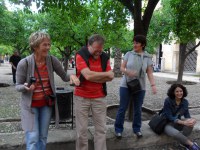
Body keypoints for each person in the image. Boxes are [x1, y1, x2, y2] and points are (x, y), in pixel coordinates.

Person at [15, 31, 80, 150]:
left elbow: (64, 76)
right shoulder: (24, 63)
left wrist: (72, 77)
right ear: (35, 46)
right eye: (45, 45)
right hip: (30, 106)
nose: (48, 47)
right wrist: (25, 87)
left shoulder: (51, 60)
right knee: (33, 138)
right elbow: (17, 85)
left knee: (43, 137)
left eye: (49, 44)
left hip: (46, 105)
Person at [74, 34, 114, 150]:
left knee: (101, 129)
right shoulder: (80, 54)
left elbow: (111, 76)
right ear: (88, 45)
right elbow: (87, 75)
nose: (98, 53)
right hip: (82, 97)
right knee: (81, 131)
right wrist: (104, 75)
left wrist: (94, 76)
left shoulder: (104, 57)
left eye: (100, 50)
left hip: (99, 97)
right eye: (96, 50)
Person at [114, 35, 157, 138]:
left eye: (137, 43)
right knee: (122, 108)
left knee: (138, 109)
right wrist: (127, 72)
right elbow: (122, 67)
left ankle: (137, 129)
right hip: (126, 85)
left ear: (142, 44)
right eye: (134, 42)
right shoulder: (129, 54)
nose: (134, 44)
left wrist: (153, 85)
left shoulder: (147, 57)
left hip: (140, 86)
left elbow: (150, 73)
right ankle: (118, 129)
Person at [163, 84, 199, 150]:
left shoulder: (185, 102)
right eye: (177, 91)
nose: (179, 93)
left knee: (190, 124)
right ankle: (191, 144)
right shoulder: (168, 101)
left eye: (181, 91)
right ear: (173, 92)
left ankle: (183, 143)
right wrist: (182, 122)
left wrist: (191, 120)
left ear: (183, 91)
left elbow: (187, 115)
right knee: (175, 132)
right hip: (166, 123)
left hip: (177, 123)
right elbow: (169, 116)